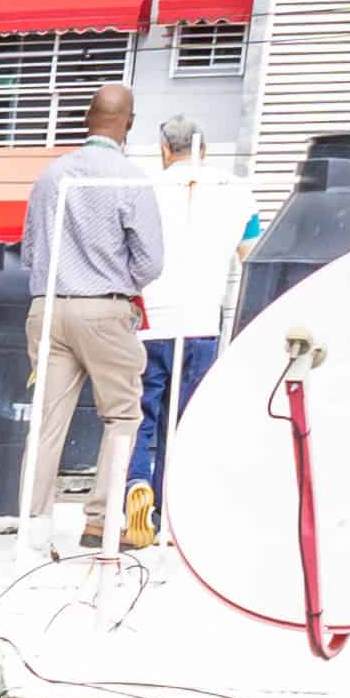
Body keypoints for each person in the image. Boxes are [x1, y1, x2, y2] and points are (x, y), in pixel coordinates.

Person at [14, 85, 162, 550]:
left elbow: (30, 251)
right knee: (121, 415)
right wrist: (119, 281)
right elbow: (151, 261)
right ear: (129, 123)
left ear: (86, 118)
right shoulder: (131, 180)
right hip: (105, 306)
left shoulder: (49, 176)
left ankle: (32, 522)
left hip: (48, 305)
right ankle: (99, 520)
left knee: (47, 419)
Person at [129, 117, 241, 550]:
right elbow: (249, 253)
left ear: (163, 149)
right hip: (201, 324)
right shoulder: (235, 192)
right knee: (183, 424)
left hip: (151, 323)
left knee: (139, 417)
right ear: (204, 149)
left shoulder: (146, 192)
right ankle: (172, 514)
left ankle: (137, 484)